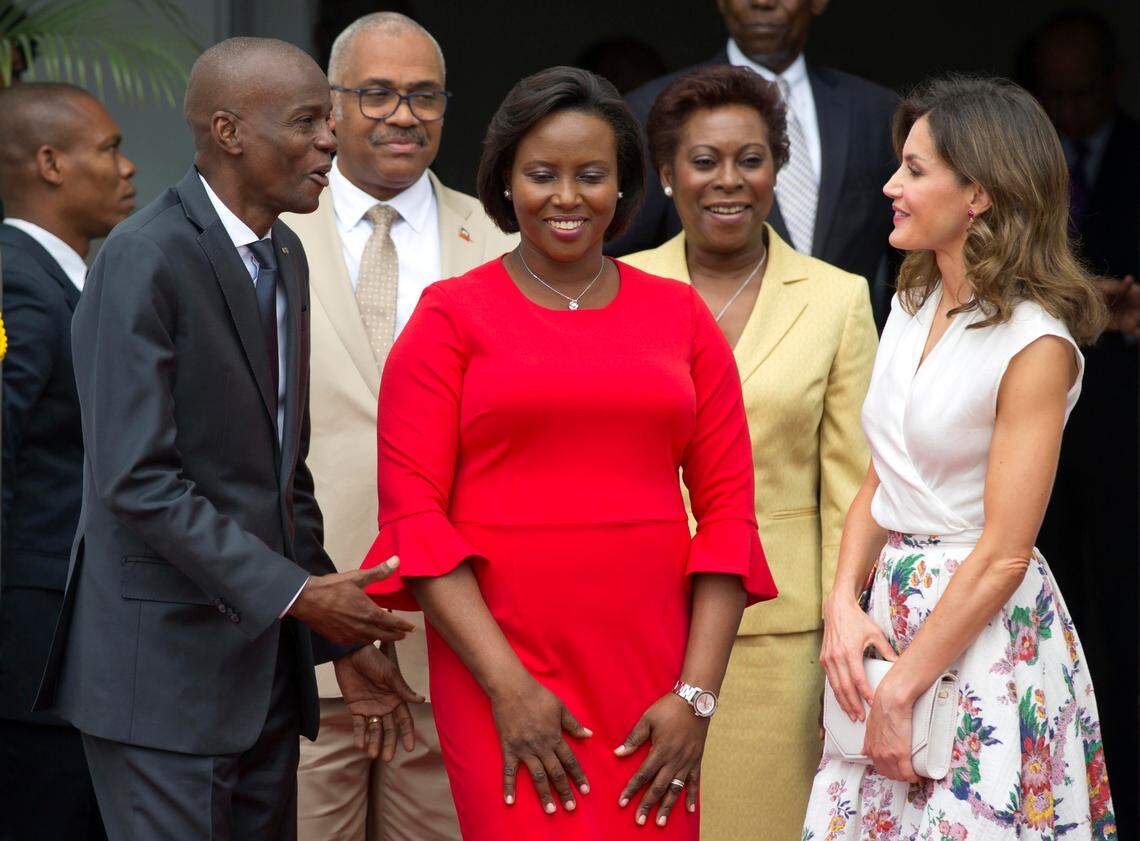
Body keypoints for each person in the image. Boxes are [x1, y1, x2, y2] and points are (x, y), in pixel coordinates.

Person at [358, 66, 777, 839]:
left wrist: (696, 698)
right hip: (500, 669)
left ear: (624, 188)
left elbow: (728, 520)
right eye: (541, 174)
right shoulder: (450, 317)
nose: (566, 197)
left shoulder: (679, 315)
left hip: (655, 679)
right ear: (505, 183)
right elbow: (415, 520)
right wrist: (507, 687)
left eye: (592, 175)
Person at [33, 38, 419, 841]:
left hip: (262, 682)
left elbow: (281, 478)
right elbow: (137, 479)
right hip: (161, 685)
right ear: (229, 131)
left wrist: (326, 629)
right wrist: (298, 593)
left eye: (330, 120)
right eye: (309, 121)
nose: (330, 142)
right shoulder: (145, 258)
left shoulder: (285, 254)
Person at [804, 76, 1117, 839]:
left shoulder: (1036, 344)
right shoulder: (910, 303)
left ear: (977, 193)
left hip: (982, 635)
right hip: (890, 615)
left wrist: (902, 689)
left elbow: (1006, 553)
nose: (891, 186)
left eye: (914, 169)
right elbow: (880, 477)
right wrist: (842, 606)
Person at [621, 65, 876, 841]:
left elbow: (853, 488)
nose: (727, 181)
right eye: (703, 161)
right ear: (666, 175)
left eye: (751, 159)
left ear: (777, 168)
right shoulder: (615, 289)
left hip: (779, 642)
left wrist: (848, 624)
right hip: (635, 625)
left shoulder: (837, 297)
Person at [281, 12, 516, 841]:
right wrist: (318, 615)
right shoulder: (266, 237)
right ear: (330, 107)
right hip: (302, 641)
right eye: (376, 94)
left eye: (423, 96)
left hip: (455, 653)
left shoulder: (504, 245)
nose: (402, 115)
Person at [0, 81, 135, 841]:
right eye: (109, 149)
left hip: (71, 656)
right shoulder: (16, 282)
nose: (127, 168)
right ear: (50, 162)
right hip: (30, 653)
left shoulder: (71, 279)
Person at [1021, 13, 1139, 828]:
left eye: (1082, 91)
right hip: (1020, 426)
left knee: (1125, 612)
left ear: (1115, 81)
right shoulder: (1008, 177)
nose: (1068, 111)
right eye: (1051, 95)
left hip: (1126, 428)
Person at [610, 0, 898, 326]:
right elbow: (618, 260)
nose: (762, 2)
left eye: (749, 160)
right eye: (705, 161)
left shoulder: (877, 112)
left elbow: (910, 265)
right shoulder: (648, 110)